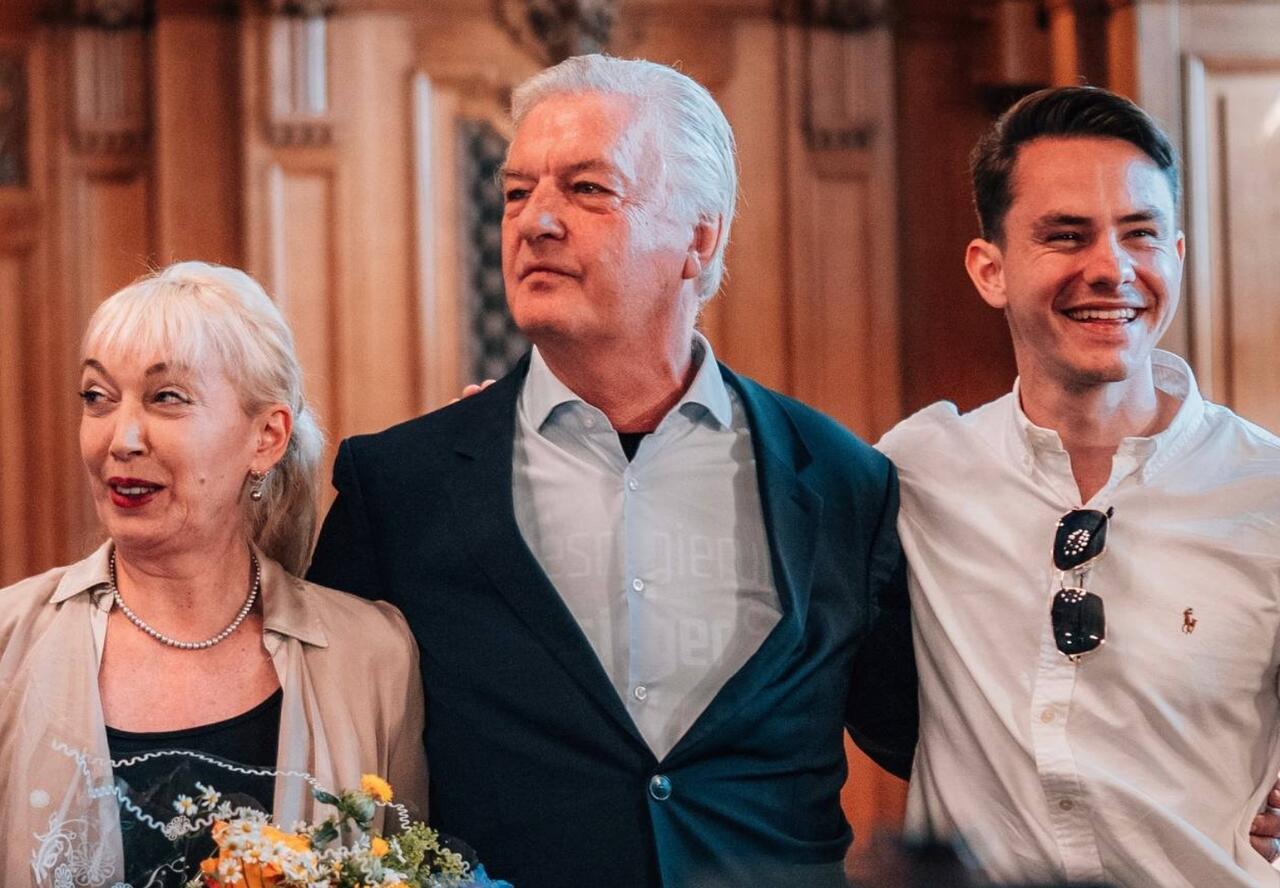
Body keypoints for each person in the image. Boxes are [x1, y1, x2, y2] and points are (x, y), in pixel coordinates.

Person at [307, 55, 917, 888]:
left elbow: (926, 737)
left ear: (700, 238)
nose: (534, 221)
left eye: (587, 189)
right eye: (516, 192)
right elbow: (326, 750)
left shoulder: (843, 481)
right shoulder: (400, 486)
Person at [878, 86, 1280, 886]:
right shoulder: (915, 470)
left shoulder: (1265, 490)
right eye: (1066, 236)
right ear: (990, 269)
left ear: (1177, 256)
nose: (1111, 269)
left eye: (1141, 234)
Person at [0, 262, 427, 886]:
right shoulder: (9, 642)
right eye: (97, 398)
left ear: (267, 437)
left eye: (166, 398)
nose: (121, 439)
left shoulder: (373, 656)